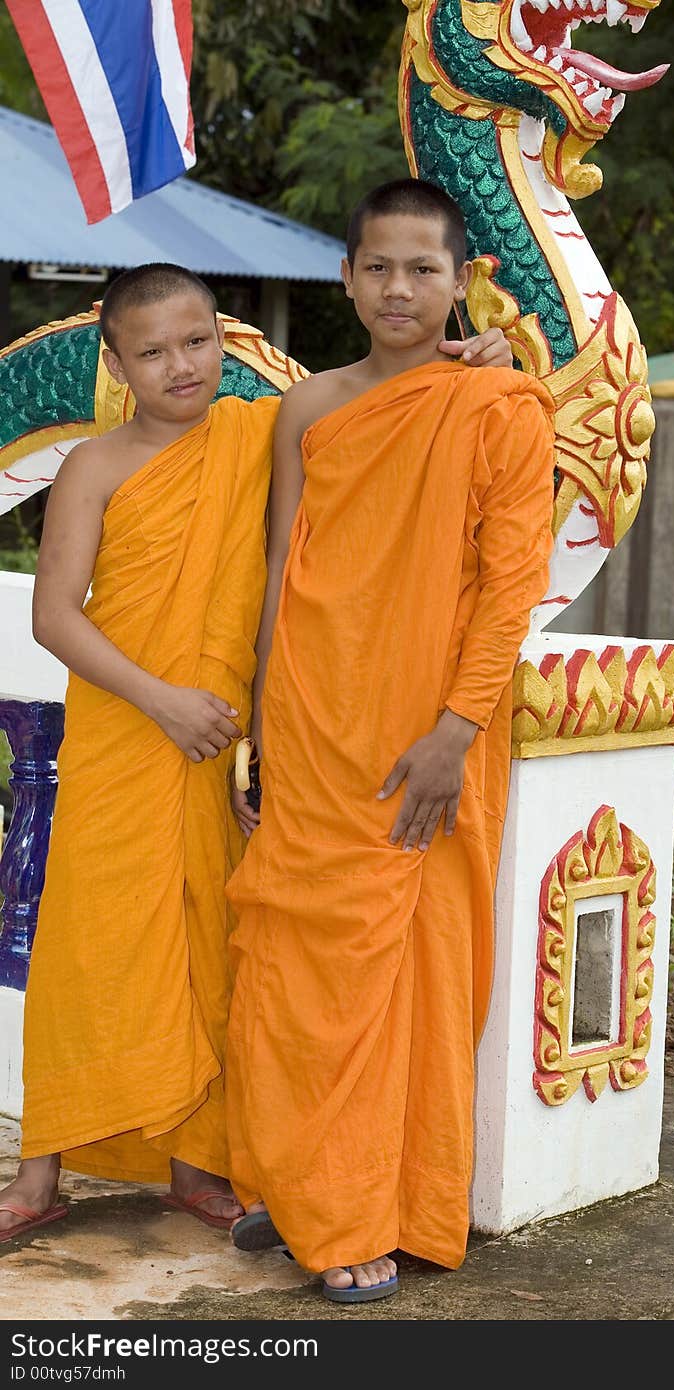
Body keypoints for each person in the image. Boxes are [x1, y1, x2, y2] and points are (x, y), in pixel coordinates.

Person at [0, 261, 514, 1243]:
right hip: (127, 729)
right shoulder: (94, 467)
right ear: (117, 362)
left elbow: (374, 400)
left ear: (226, 341)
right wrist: (159, 701)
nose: (179, 366)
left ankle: (196, 1163)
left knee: (212, 949)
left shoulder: (266, 429)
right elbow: (54, 615)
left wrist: (476, 357)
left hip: (226, 741)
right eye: (150, 352)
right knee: (87, 944)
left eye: (196, 342)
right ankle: (37, 1173)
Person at [223, 179, 556, 1302]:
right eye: (379, 267)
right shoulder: (311, 407)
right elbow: (282, 569)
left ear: (460, 281)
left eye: (424, 269)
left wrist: (456, 729)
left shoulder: (498, 407)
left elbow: (513, 586)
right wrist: (264, 726)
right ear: (347, 278)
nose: (399, 288)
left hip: (430, 734)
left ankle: (376, 1206)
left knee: (408, 975)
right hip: (315, 726)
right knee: (290, 960)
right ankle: (307, 1178)